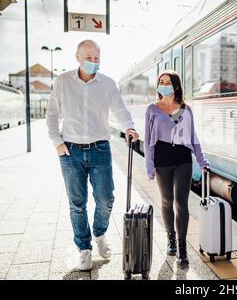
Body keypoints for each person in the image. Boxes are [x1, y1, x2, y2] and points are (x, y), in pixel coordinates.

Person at [46, 40, 139, 271]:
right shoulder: (63, 81)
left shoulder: (107, 83)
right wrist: (57, 142)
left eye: (97, 58)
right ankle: (84, 248)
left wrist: (129, 126)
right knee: (77, 203)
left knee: (106, 199)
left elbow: (120, 109)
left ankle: (99, 233)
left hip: (100, 149)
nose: (93, 62)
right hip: (70, 151)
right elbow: (52, 114)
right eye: (88, 58)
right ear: (77, 56)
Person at [144, 70, 209, 266]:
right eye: (160, 82)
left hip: (183, 159)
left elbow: (192, 137)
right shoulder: (152, 109)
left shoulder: (185, 109)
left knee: (181, 202)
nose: (163, 84)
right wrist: (149, 165)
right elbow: (148, 141)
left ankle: (182, 247)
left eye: (167, 82)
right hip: (162, 160)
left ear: (176, 86)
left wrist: (201, 160)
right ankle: (170, 239)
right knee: (166, 201)